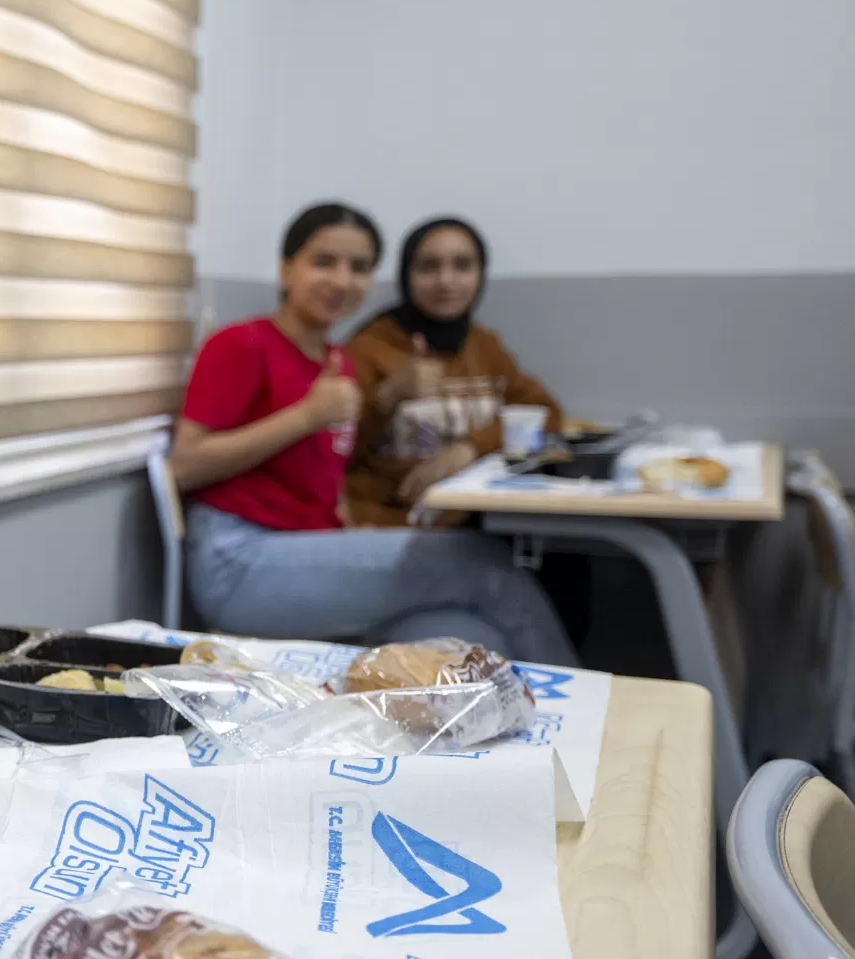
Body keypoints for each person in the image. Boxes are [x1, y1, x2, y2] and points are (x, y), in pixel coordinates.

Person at [169, 202, 576, 663]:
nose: (342, 280)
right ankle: (584, 700)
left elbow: (326, 477)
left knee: (475, 636)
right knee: (483, 561)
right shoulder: (242, 343)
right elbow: (183, 467)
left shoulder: (339, 362)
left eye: (359, 267)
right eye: (324, 262)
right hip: (240, 559)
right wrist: (306, 416)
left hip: (312, 550)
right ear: (285, 270)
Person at [345, 216, 562, 527]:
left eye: (462, 266)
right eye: (428, 267)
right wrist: (387, 396)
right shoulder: (368, 348)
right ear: (407, 275)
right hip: (393, 524)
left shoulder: (484, 345)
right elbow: (329, 453)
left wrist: (469, 448)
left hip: (477, 520)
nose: (446, 281)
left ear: (480, 274)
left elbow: (545, 414)